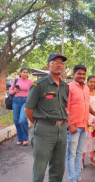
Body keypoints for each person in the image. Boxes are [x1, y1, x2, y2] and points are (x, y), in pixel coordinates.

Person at [25, 53, 68, 182]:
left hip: (62, 130)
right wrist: (41, 123)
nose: (59, 65)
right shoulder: (39, 85)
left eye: (61, 63)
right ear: (48, 65)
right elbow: (28, 110)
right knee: (40, 168)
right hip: (44, 130)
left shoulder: (65, 86)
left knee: (58, 168)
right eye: (55, 62)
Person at [66, 65, 95, 182]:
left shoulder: (85, 88)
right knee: (71, 154)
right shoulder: (69, 87)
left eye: (83, 74)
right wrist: (69, 125)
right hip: (74, 126)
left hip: (84, 126)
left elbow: (87, 105)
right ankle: (72, 179)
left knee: (79, 153)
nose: (81, 76)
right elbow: (64, 107)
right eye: (79, 73)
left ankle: (78, 178)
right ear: (74, 74)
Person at [9, 67, 33, 146]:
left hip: (25, 101)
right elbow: (10, 91)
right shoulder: (16, 81)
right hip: (16, 101)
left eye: (26, 72)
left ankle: (25, 138)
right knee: (16, 121)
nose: (25, 74)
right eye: (23, 72)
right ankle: (20, 138)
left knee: (22, 120)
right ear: (20, 73)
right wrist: (14, 91)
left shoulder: (30, 82)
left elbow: (33, 91)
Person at [82, 75, 95, 168]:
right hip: (85, 118)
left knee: (92, 141)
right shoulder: (84, 92)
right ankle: (81, 161)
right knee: (83, 141)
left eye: (94, 82)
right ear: (87, 82)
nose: (92, 83)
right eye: (91, 81)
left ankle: (90, 160)